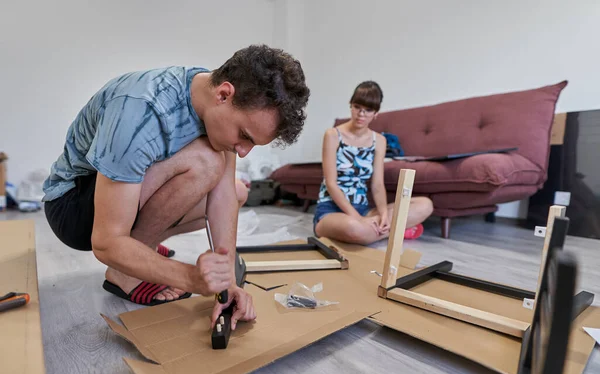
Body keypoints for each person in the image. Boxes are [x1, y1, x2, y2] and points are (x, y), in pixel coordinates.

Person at [42, 44, 310, 330]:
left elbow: (223, 197)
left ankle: (140, 252)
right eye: (244, 136)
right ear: (224, 94)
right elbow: (105, 243)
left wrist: (227, 281)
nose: (244, 152)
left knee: (238, 191)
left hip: (121, 196)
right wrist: (189, 277)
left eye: (253, 143)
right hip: (72, 206)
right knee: (206, 160)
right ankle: (125, 272)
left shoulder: (214, 99)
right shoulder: (140, 110)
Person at [313, 81, 433, 245]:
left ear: (376, 113)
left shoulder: (380, 140)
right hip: (332, 211)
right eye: (357, 107)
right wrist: (357, 218)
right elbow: (331, 183)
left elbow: (377, 185)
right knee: (354, 228)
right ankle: (397, 230)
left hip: (365, 210)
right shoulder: (332, 135)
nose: (361, 114)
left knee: (425, 205)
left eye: (368, 110)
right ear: (351, 106)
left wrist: (383, 214)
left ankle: (379, 228)